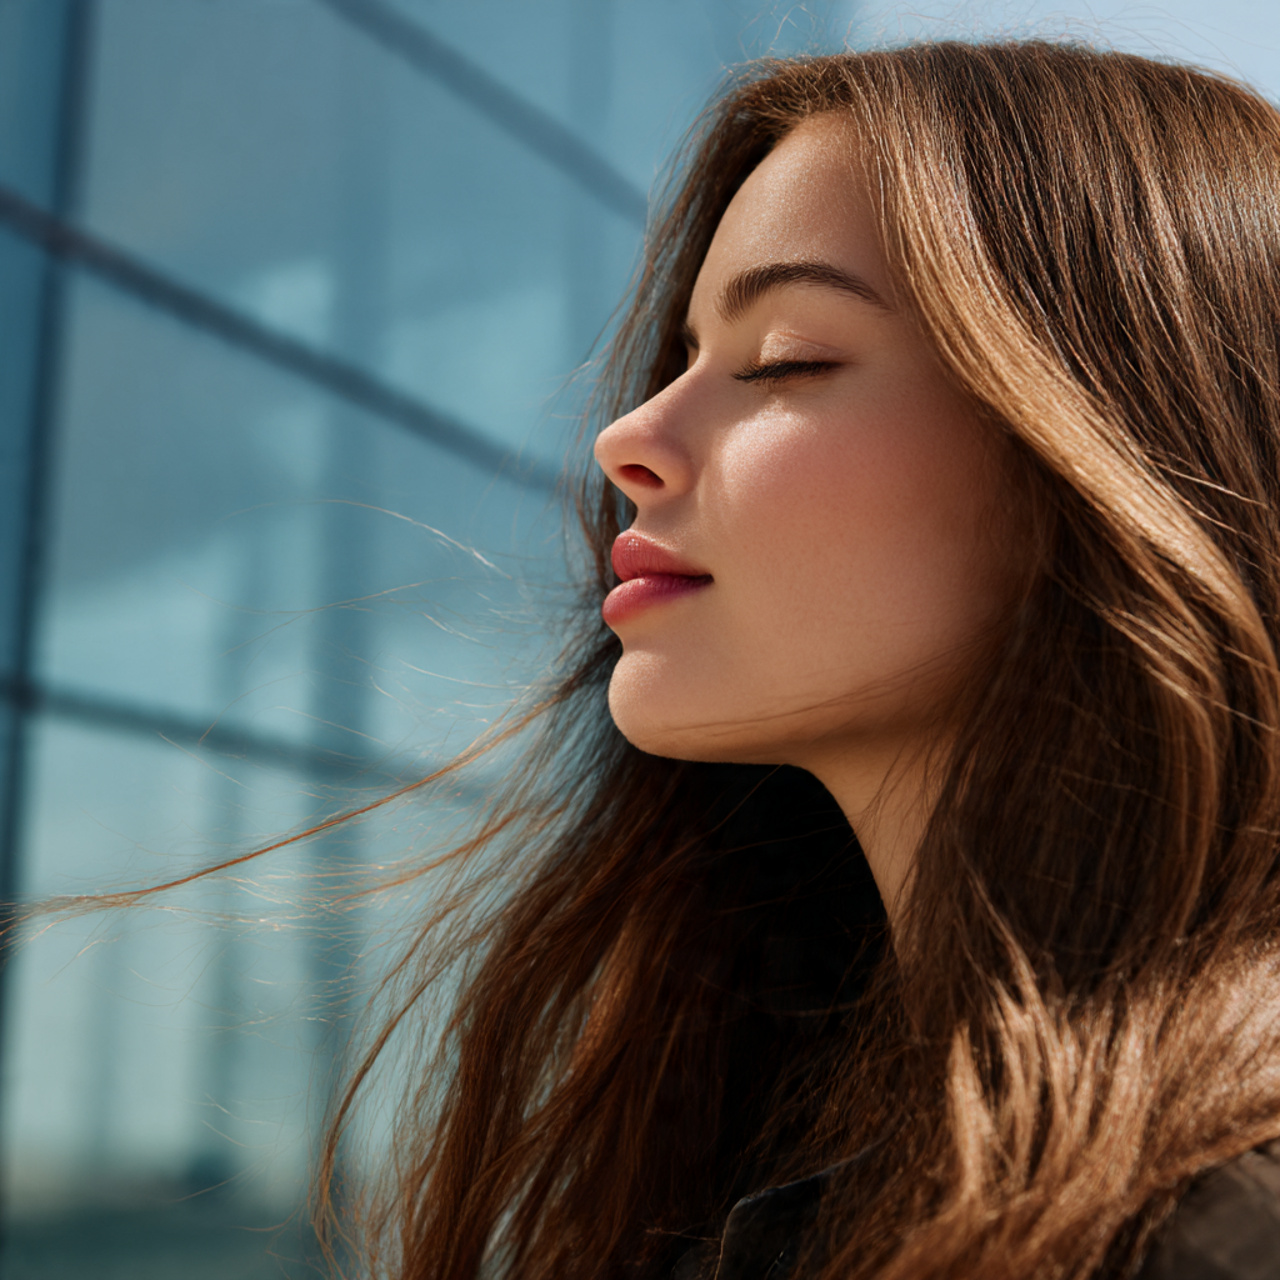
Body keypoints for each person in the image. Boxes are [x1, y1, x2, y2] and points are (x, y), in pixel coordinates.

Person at [296, 39, 1280, 1280]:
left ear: (1105, 446)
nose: (626, 438)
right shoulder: (798, 1151)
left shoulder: (1222, 1225)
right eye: (681, 358)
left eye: (784, 359)